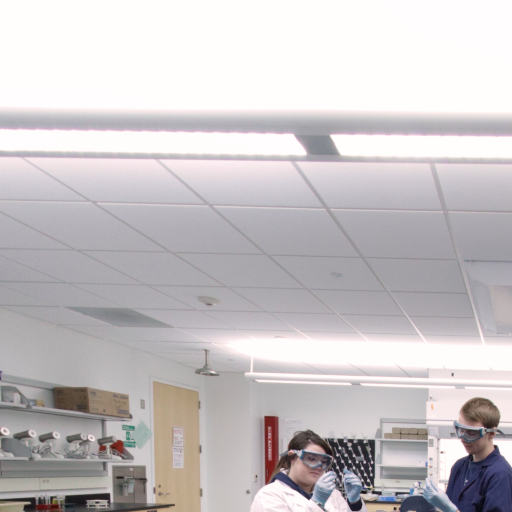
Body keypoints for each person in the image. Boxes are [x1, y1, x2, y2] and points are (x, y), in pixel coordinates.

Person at [423, 397, 512, 512]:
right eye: (461, 430)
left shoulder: (500, 474)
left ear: (491, 433)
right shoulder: (459, 467)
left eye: (471, 432)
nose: (463, 438)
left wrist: (452, 510)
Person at [250, 429, 367, 512]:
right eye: (311, 459)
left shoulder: (332, 494)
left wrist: (355, 504)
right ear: (292, 457)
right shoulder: (269, 496)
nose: (319, 466)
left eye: (324, 461)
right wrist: (317, 503)